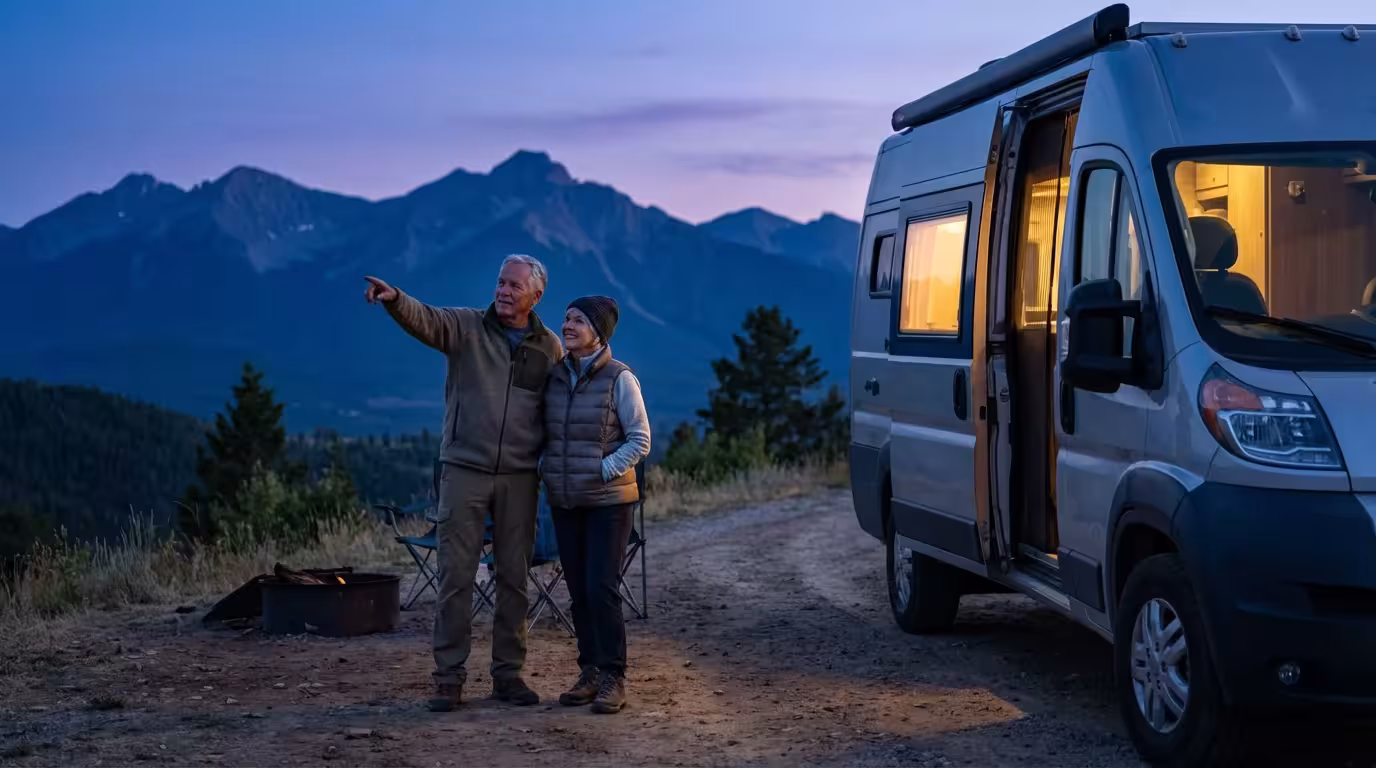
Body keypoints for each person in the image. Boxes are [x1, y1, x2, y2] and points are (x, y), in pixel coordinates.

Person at [363, 254, 563, 712]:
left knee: (514, 578)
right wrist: (396, 300)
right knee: (455, 576)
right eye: (500, 281)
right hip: (464, 472)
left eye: (514, 285)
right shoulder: (467, 327)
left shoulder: (548, 347)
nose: (504, 291)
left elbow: (555, 410)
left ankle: (508, 675)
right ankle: (448, 679)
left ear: (536, 295)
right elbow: (426, 320)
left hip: (519, 478)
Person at [540, 295, 651, 715]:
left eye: (578, 320)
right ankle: (588, 672)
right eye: (566, 318)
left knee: (601, 588)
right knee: (577, 591)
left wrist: (602, 470)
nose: (567, 325)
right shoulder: (555, 377)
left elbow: (641, 439)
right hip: (566, 499)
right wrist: (545, 466)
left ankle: (613, 677)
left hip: (608, 502)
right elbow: (545, 434)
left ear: (599, 333)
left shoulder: (621, 379)